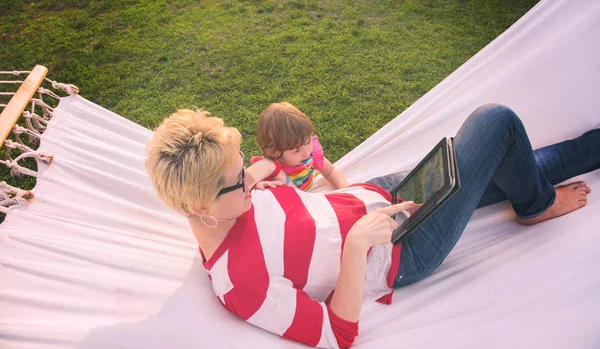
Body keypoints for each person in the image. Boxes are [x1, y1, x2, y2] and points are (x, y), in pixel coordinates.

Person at [144, 104, 598, 349]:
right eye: (237, 178)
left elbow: (267, 186)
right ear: (202, 206)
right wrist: (358, 244)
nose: (249, 177)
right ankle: (536, 206)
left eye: (243, 167)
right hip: (403, 244)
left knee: (501, 160)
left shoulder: (231, 201)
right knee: (495, 123)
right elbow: (336, 334)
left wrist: (259, 175)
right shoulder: (243, 283)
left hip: (377, 194)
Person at [249, 102, 349, 191]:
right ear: (274, 152)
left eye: (308, 143)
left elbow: (331, 171)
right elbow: (249, 186)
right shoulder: (268, 168)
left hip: (312, 186)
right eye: (297, 151)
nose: (306, 154)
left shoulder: (312, 152)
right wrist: (258, 185)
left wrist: (346, 190)